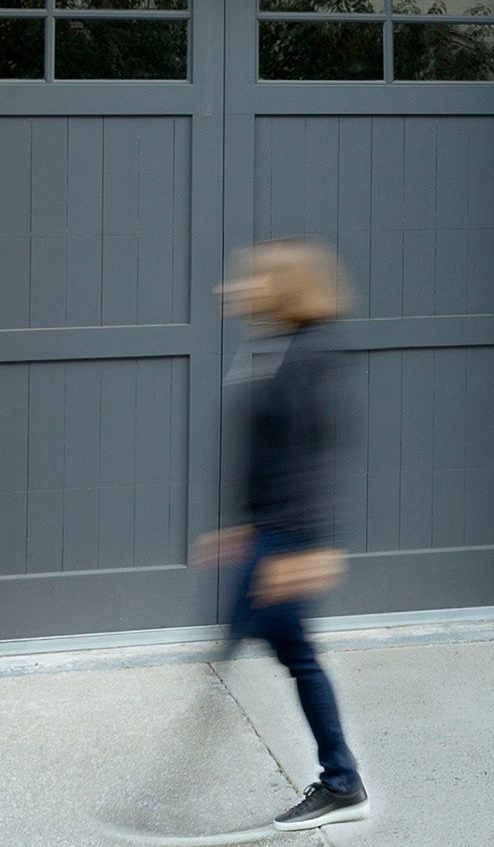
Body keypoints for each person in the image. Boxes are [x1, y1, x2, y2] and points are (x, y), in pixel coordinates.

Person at [200, 239, 366, 831]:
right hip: (270, 533)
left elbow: (313, 457)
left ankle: (342, 783)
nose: (234, 289)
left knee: (290, 652)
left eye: (251, 280)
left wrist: (309, 549)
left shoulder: (309, 355)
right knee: (264, 645)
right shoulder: (280, 347)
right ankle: (340, 779)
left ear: (284, 288)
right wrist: (242, 528)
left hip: (289, 539)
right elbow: (267, 455)